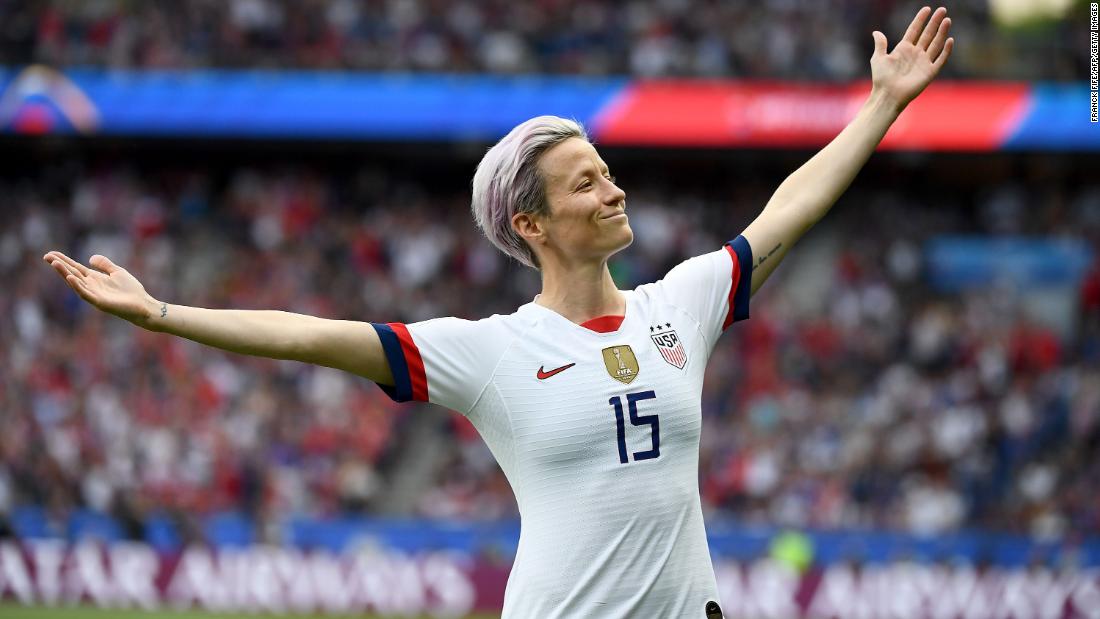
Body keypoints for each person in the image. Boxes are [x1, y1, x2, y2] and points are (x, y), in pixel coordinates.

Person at [44, 7, 953, 618]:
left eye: (608, 171)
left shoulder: (682, 304)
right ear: (532, 222)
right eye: (585, 182)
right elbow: (310, 335)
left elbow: (787, 210)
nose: (613, 189)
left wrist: (880, 107)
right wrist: (163, 312)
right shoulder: (490, 353)